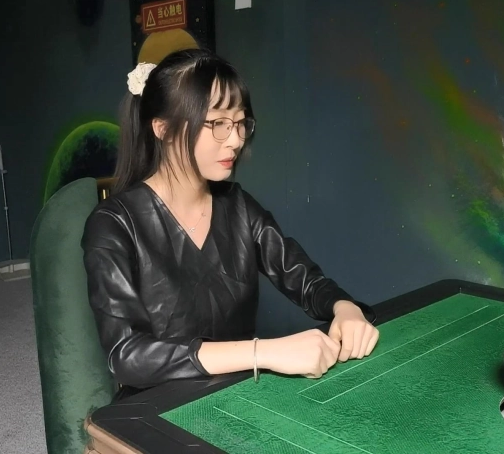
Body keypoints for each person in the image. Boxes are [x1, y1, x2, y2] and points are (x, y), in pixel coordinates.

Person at [81, 48, 379, 401]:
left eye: (240, 123)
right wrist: (263, 352)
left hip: (240, 397)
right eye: (218, 123)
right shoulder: (113, 223)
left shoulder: (238, 205)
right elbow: (128, 356)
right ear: (163, 129)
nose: (236, 139)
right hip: (157, 409)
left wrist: (345, 308)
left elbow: (306, 281)